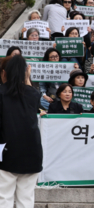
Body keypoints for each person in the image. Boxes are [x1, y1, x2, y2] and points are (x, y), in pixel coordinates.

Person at [0, 56, 44, 208]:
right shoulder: (33, 94)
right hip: (32, 153)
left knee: (3, 197)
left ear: (4, 73)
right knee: (26, 199)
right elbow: (29, 91)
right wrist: (26, 77)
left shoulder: (1, 93)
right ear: (25, 74)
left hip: (6, 153)